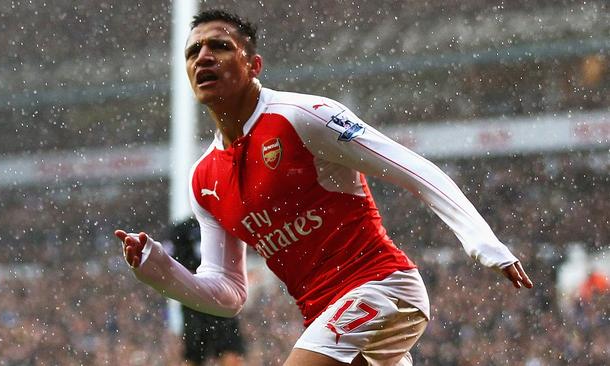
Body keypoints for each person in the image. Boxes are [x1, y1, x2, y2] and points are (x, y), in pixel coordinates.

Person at [115, 9, 533, 366]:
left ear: (254, 65)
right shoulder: (202, 180)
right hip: (326, 320)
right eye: (193, 52)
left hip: (383, 289)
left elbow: (412, 168)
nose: (203, 56)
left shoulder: (304, 116)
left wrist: (483, 243)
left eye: (220, 46)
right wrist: (158, 270)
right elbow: (227, 294)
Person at [170, 218, 246, 366]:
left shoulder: (224, 222)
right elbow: (175, 263)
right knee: (194, 354)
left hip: (221, 295)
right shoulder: (183, 229)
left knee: (229, 351)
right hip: (195, 299)